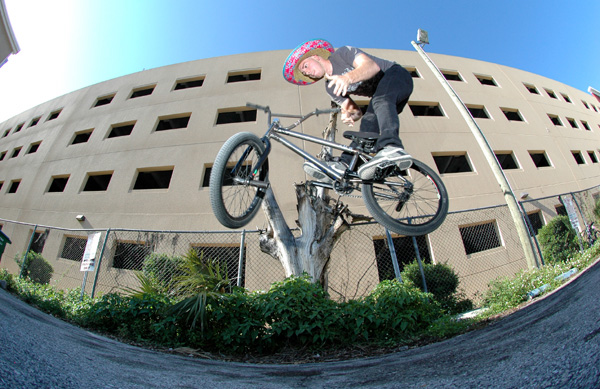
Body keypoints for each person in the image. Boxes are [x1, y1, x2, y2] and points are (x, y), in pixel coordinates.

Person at [283, 39, 414, 181]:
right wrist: (349, 114)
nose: (308, 72)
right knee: (367, 124)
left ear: (316, 57)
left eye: (306, 66)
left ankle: (392, 148)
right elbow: (356, 112)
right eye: (305, 72)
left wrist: (347, 77)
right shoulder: (330, 88)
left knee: (380, 100)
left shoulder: (343, 53)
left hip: (396, 76)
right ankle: (344, 164)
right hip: (382, 99)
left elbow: (372, 66)